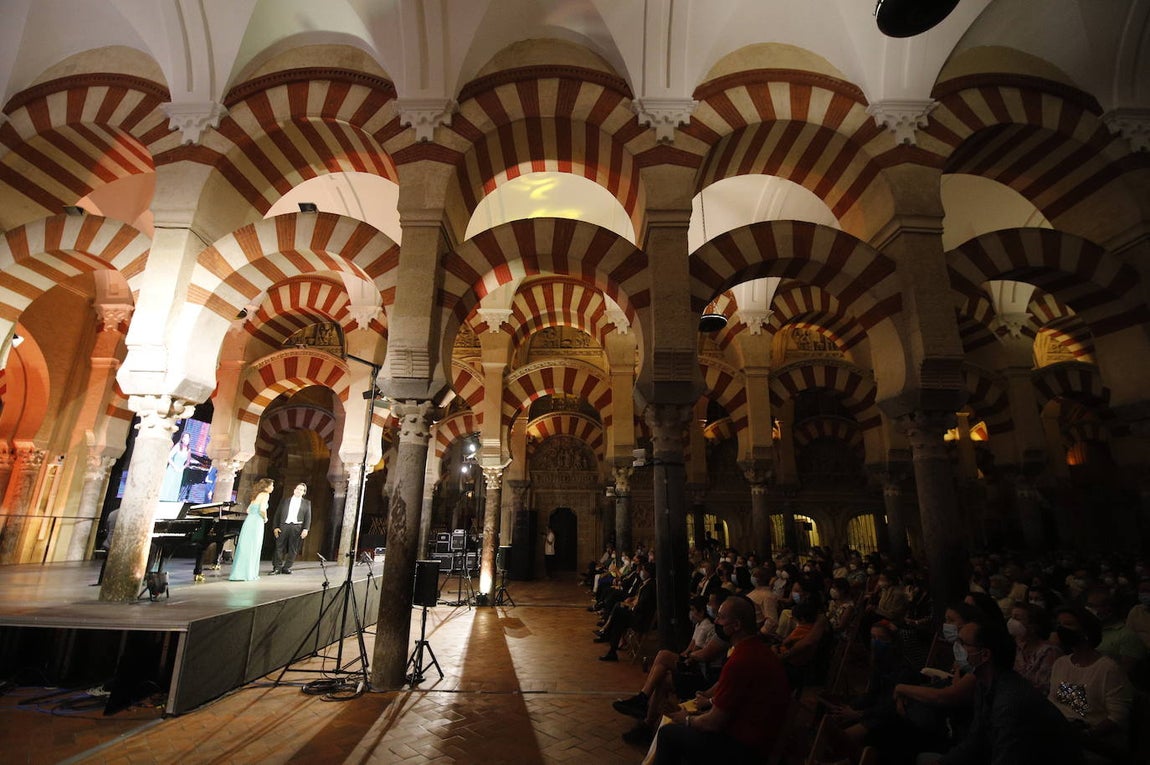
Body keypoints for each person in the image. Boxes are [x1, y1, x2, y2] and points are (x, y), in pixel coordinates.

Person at [917, 619, 1084, 764]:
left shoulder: (1011, 702)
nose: (956, 647)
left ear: (985, 655)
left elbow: (1008, 758)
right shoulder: (985, 685)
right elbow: (977, 739)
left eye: (963, 643)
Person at [653, 596, 791, 763]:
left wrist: (687, 720)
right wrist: (708, 701)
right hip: (760, 738)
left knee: (668, 734)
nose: (716, 621)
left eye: (721, 617)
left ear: (737, 625)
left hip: (743, 747)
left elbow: (713, 723)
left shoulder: (741, 660)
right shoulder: (759, 650)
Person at [230, 478, 272, 582]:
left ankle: (239, 573)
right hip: (257, 522)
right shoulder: (265, 495)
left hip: (249, 521)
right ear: (266, 487)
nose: (272, 487)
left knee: (245, 547)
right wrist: (265, 518)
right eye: (271, 485)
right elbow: (262, 509)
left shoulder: (256, 495)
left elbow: (248, 510)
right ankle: (248, 574)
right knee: (253, 547)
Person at [271, 482, 311, 575]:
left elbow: (308, 517)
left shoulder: (307, 503)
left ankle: (287, 567)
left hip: (297, 527)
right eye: (297, 489)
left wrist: (306, 529)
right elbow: (277, 514)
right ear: (294, 490)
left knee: (293, 548)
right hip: (284, 525)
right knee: (279, 547)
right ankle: (277, 567)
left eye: (301, 490)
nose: (298, 491)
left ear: (304, 492)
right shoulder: (285, 500)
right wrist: (275, 527)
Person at [160, 432, 191, 501]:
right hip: (172, 469)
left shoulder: (189, 450)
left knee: (174, 487)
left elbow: (188, 462)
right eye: (185, 437)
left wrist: (182, 468)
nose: (187, 439)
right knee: (168, 486)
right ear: (182, 438)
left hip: (180, 471)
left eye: (188, 438)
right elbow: (169, 457)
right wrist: (175, 467)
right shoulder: (177, 446)